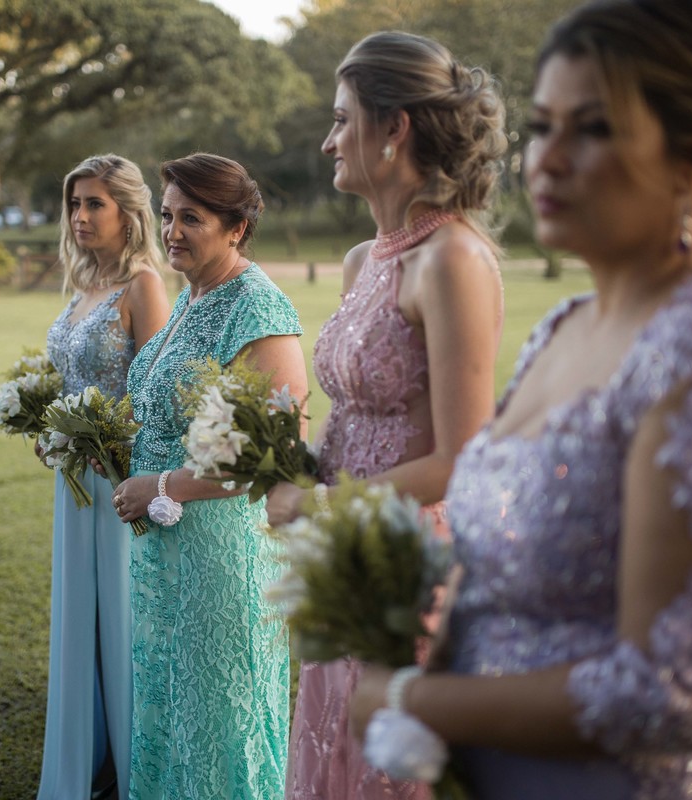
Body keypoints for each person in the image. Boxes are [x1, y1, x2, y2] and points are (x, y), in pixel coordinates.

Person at [348, 2, 692, 798]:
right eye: (541, 126)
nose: (547, 160)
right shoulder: (567, 325)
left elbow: (670, 695)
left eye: (591, 129)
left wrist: (415, 697)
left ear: (691, 158)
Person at [265, 31, 506, 800]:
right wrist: (282, 465)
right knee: (332, 745)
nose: (330, 139)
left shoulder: (455, 261)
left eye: (343, 120)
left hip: (410, 566)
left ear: (394, 127)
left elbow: (463, 459)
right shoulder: (362, 261)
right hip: (343, 561)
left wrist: (327, 504)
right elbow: (347, 415)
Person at [110, 152, 307, 798]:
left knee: (221, 723)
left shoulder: (258, 310)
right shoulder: (194, 298)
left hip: (223, 557)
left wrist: (160, 486)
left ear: (237, 228)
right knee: (169, 714)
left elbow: (278, 450)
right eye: (167, 215)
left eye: (190, 218)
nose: (171, 231)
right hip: (166, 557)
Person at [36, 154, 171, 800]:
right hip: (72, 484)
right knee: (78, 621)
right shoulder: (83, 285)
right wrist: (48, 427)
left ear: (128, 213)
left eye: (94, 204)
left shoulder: (143, 286)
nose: (80, 216)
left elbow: (158, 397)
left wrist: (111, 441)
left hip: (117, 485)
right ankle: (84, 756)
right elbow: (66, 380)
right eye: (75, 204)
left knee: (119, 621)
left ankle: (129, 761)